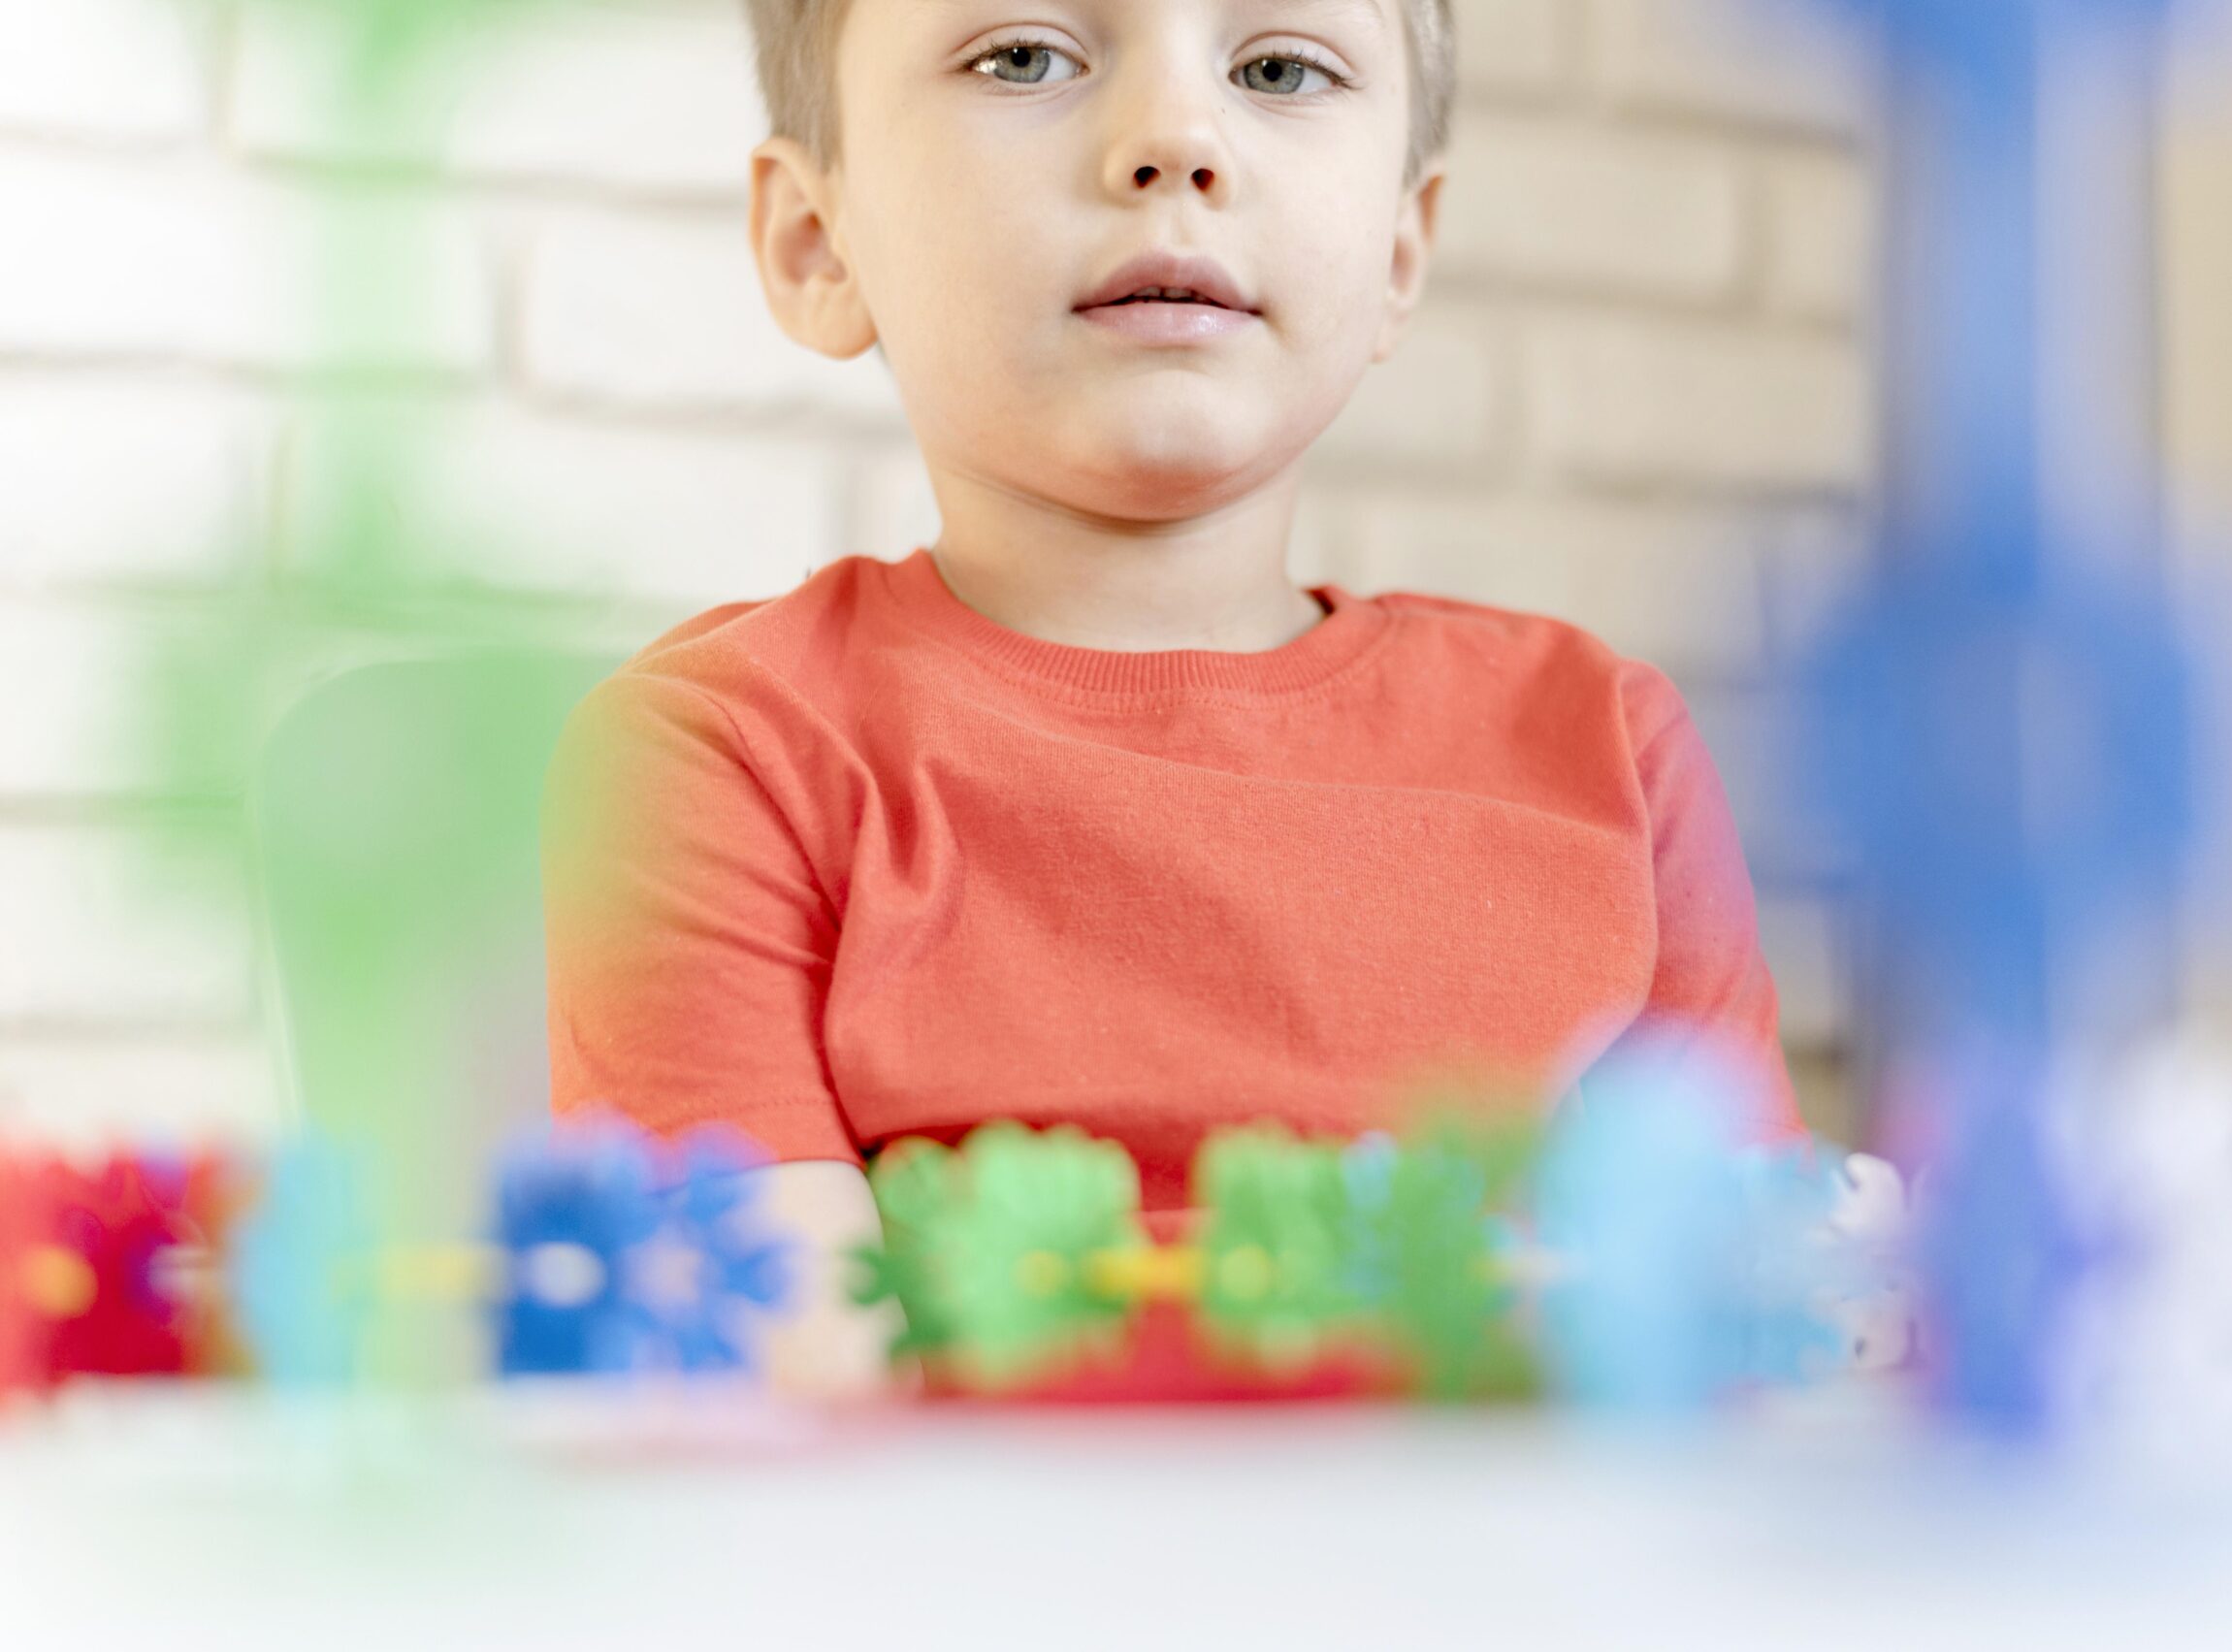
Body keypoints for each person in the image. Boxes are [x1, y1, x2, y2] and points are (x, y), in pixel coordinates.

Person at [541, 0, 1799, 1395]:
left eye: (1279, 69)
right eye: (1023, 56)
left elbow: (1762, 1370)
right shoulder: (711, 762)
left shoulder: (1606, 753)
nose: (1177, 140)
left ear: (1399, 252)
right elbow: (786, 1406)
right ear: (816, 241)